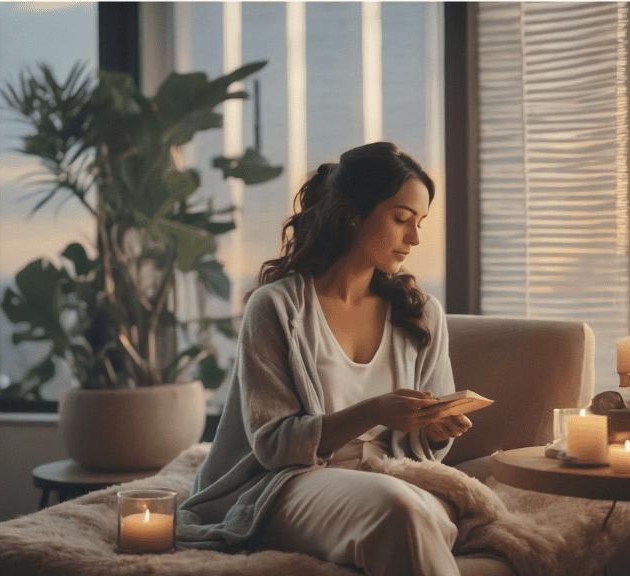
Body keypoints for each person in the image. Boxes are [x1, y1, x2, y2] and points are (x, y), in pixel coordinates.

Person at [177, 141, 471, 576]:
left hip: (392, 477)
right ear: (354, 212)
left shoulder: (421, 314)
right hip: (290, 482)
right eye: (401, 219)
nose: (415, 238)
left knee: (414, 509)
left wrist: (437, 427)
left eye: (420, 222)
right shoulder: (276, 308)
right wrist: (376, 410)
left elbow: (423, 451)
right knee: (399, 512)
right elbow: (274, 445)